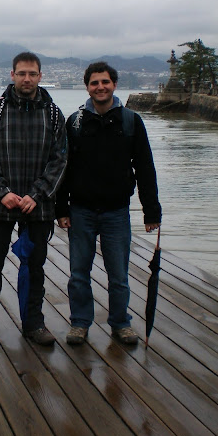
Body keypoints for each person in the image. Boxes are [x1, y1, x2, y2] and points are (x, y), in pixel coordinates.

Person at [0, 52, 67, 350]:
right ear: (12, 75)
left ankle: (34, 324)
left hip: (37, 208)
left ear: (40, 76)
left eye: (32, 74)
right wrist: (2, 191)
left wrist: (37, 194)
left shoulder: (54, 114)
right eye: (21, 73)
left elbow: (59, 161)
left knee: (34, 268)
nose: (27, 79)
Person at [56, 61, 161, 346]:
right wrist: (61, 209)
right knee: (79, 273)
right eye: (94, 83)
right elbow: (65, 168)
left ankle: (120, 323)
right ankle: (79, 323)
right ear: (87, 87)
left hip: (116, 211)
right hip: (81, 210)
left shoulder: (131, 121)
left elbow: (145, 167)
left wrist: (152, 211)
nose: (100, 87)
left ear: (114, 84)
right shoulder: (75, 122)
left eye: (105, 82)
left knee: (119, 275)